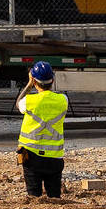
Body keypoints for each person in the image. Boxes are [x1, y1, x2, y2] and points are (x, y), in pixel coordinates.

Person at [17, 60, 68, 201]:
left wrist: (29, 84)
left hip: (32, 158)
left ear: (34, 80)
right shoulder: (63, 100)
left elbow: (18, 103)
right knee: (55, 198)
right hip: (54, 159)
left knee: (34, 198)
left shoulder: (29, 101)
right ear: (52, 79)